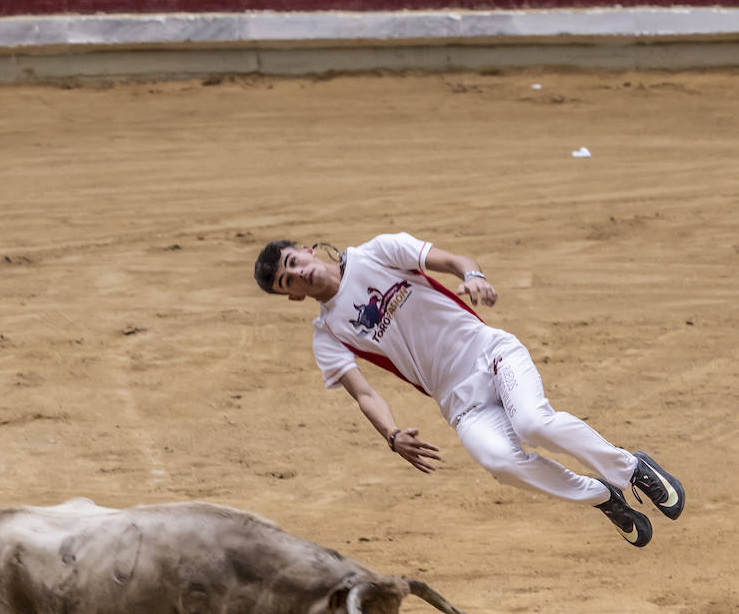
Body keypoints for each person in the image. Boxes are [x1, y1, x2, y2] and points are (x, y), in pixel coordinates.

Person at [254, 233, 685, 549]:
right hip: (459, 402)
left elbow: (451, 259)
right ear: (290, 298)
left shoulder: (377, 252)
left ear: (307, 250)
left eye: (292, 262)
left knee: (533, 423)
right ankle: (602, 496)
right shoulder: (328, 333)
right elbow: (364, 393)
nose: (297, 274)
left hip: (491, 354)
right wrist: (391, 434)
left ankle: (632, 469)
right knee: (499, 462)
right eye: (285, 281)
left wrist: (474, 276)